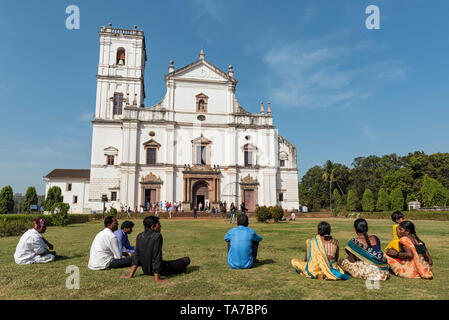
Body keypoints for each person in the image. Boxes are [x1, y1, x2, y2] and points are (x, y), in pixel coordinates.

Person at [120, 216, 190, 282]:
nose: (160, 226)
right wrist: (157, 278)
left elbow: (136, 256)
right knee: (186, 260)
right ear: (153, 227)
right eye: (158, 225)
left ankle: (181, 269)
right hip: (159, 270)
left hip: (146, 271)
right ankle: (181, 268)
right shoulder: (157, 236)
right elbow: (157, 256)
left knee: (174, 264)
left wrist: (130, 275)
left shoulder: (139, 236)